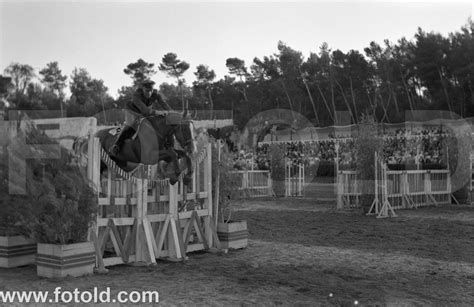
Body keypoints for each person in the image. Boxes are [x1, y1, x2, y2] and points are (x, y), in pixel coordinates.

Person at [109, 79, 172, 156]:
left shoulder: (156, 94)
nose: (149, 93)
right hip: (132, 111)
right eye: (146, 91)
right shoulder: (136, 95)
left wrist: (171, 112)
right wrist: (160, 112)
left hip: (146, 111)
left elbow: (164, 104)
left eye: (150, 91)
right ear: (143, 89)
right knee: (130, 126)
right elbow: (145, 110)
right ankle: (116, 146)